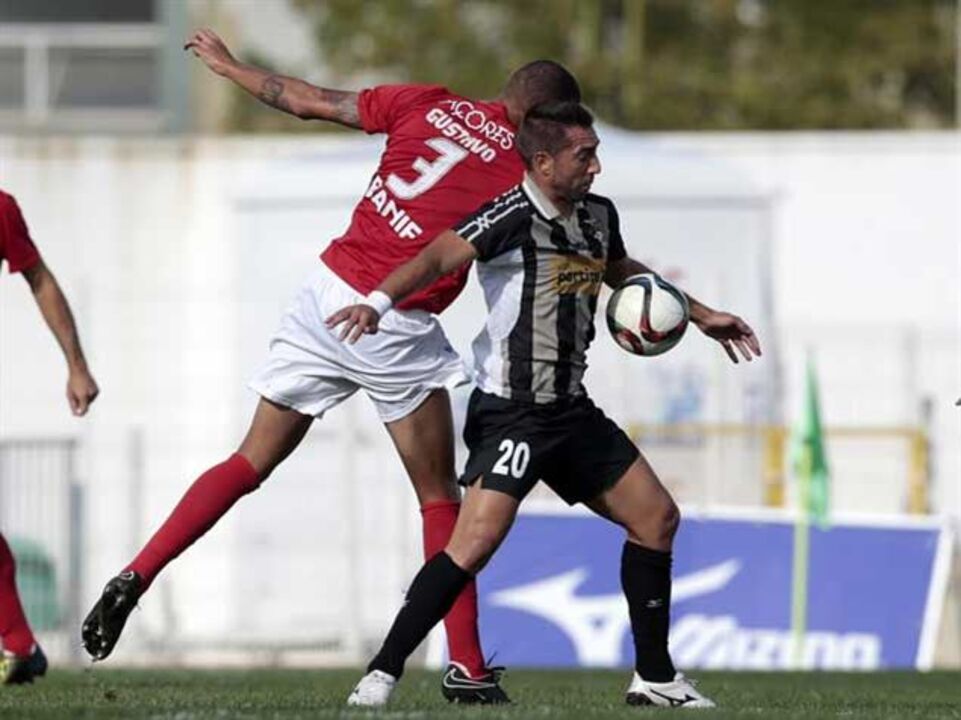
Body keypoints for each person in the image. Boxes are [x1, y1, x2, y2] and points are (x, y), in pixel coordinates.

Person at [82, 29, 582, 703]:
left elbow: (308, 100)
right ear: (539, 120)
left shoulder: (426, 102)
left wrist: (229, 67)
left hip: (325, 293)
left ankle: (137, 574)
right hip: (391, 318)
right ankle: (466, 665)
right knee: (440, 497)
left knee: (248, 461)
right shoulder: (522, 173)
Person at [329, 102, 761, 708]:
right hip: (512, 412)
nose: (596, 166)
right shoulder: (507, 214)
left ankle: (656, 677)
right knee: (472, 546)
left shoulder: (599, 215)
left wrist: (701, 314)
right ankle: (382, 672)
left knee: (656, 519)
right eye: (585, 155)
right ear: (543, 162)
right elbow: (436, 257)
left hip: (571, 410)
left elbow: (622, 270)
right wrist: (376, 302)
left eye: (596, 153)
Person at [0, 189, 100, 684]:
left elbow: (40, 280)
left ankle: (20, 644)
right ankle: (20, 644)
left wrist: (76, 365)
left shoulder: (0, 209)